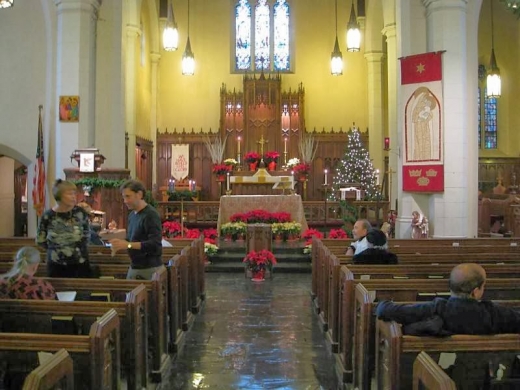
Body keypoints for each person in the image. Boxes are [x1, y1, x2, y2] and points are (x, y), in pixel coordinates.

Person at [376, 263, 520, 335]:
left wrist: (384, 303)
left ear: (450, 288)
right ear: (476, 292)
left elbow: (384, 309)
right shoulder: (494, 314)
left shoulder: (436, 309)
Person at [36, 179, 92, 278]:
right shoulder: (48, 216)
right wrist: (57, 248)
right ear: (59, 196)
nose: (73, 197)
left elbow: (87, 235)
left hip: (80, 263)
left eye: (74, 193)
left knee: (82, 292)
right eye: (69, 194)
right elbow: (40, 240)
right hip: (56, 264)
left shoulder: (80, 213)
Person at [110, 179, 164, 280]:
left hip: (150, 268)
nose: (125, 201)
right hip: (135, 266)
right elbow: (133, 239)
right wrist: (119, 243)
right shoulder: (132, 215)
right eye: (123, 197)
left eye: (128, 196)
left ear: (139, 194)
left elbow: (154, 244)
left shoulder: (150, 215)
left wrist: (128, 245)